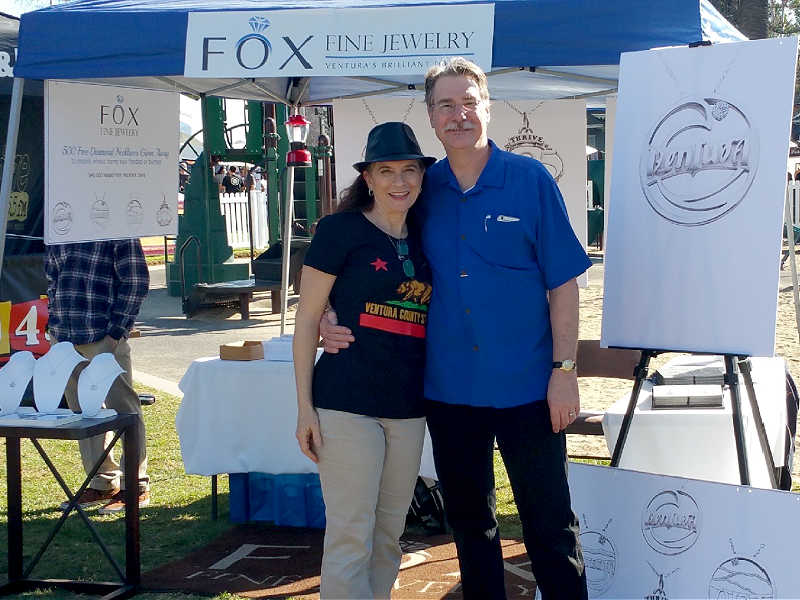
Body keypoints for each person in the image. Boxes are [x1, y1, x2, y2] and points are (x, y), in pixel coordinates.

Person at [321, 58, 591, 599]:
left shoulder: (530, 179)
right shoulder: (420, 190)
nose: (459, 114)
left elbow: (563, 284)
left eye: (469, 102)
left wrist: (564, 371)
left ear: (487, 107)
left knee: (550, 526)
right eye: (446, 105)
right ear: (431, 115)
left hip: (528, 386)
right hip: (449, 390)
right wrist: (329, 312)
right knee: (471, 526)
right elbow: (369, 254)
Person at [293, 122, 436, 599]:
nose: (400, 181)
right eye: (386, 170)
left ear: (421, 176)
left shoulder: (430, 233)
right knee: (351, 535)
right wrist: (304, 410)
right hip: (345, 403)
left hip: (408, 407)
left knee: (389, 535)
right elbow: (307, 316)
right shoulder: (340, 230)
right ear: (368, 179)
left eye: (409, 170)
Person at [48, 239, 151, 514]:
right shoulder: (62, 222)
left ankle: (136, 485)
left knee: (124, 411)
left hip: (103, 334)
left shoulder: (117, 224)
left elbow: (136, 280)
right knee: (85, 413)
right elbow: (52, 275)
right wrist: (54, 324)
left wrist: (117, 332)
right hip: (65, 334)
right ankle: (102, 482)